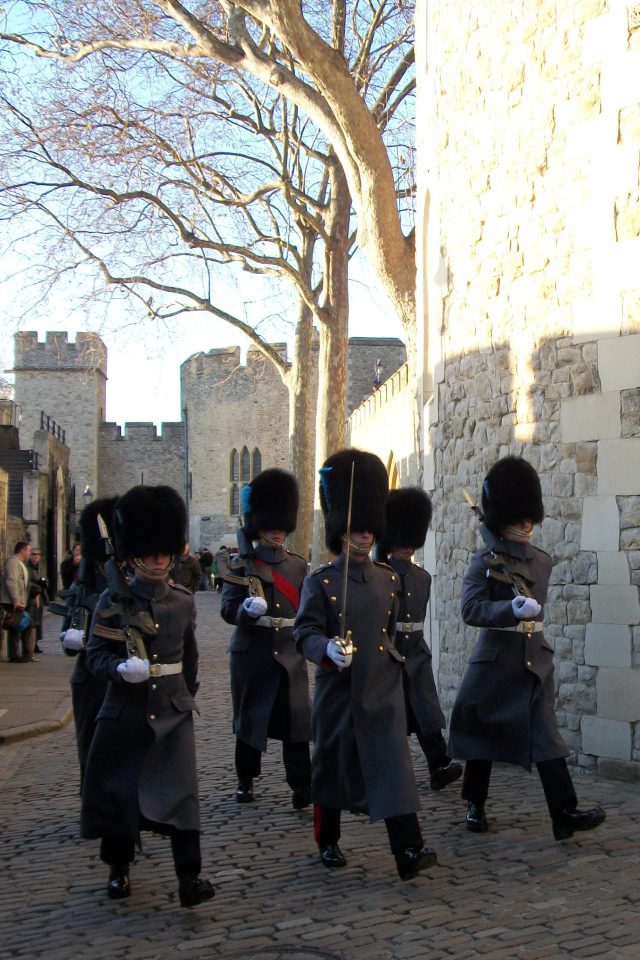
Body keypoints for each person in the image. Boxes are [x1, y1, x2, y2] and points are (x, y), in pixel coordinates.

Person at [294, 449, 437, 881]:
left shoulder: (389, 578)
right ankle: (328, 840)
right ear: (341, 530)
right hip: (341, 689)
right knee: (333, 768)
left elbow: (389, 631)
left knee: (394, 767)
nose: (364, 535)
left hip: (381, 687)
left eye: (369, 528)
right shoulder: (320, 582)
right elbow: (304, 633)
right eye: (356, 528)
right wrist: (327, 649)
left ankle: (408, 850)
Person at [449, 456, 606, 842]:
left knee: (546, 736)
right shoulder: (485, 561)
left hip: (533, 659)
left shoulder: (542, 562)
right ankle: (475, 803)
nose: (524, 525)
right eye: (516, 519)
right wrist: (509, 609)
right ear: (501, 520)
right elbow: (470, 609)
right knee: (483, 735)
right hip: (496, 660)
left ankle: (564, 814)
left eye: (528, 518)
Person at [81, 485, 214, 908]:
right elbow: (94, 655)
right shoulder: (112, 600)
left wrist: (185, 697)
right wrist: (120, 670)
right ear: (134, 555)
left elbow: (189, 658)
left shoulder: (182, 602)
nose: (159, 561)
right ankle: (118, 867)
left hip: (172, 711)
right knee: (123, 793)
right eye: (151, 554)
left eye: (164, 553)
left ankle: (190, 877)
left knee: (182, 795)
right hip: (126, 710)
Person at [220, 469, 311, 808]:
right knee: (250, 720)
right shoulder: (240, 564)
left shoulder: (297, 566)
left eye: (280, 525)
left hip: (289, 649)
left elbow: (306, 609)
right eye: (270, 524)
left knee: (297, 722)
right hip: (253, 652)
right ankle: (245, 779)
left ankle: (302, 784)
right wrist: (247, 611)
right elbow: (228, 609)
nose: (276, 530)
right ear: (258, 524)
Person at [376, 488, 462, 791]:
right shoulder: (379, 573)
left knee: (426, 709)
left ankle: (438, 764)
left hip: (415, 649)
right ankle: (389, 770)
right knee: (392, 713)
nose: (406, 548)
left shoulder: (422, 577)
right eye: (401, 541)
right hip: (388, 651)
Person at [51, 498, 118, 787]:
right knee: (90, 748)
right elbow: (68, 646)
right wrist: (71, 637)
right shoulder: (82, 587)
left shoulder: (128, 585)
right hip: (91, 679)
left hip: (122, 676)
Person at [1, 541, 32, 662]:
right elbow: (11, 582)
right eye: (28, 550)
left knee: (22, 626)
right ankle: (14, 655)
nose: (29, 553)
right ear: (22, 550)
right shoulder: (12, 562)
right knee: (15, 627)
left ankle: (24, 654)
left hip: (20, 601)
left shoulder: (20, 563)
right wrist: (16, 600)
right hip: (11, 601)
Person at [26, 547, 49, 654]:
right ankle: (30, 644)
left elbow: (44, 579)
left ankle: (35, 643)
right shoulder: (27, 567)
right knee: (31, 620)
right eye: (34, 554)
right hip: (31, 596)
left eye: (38, 554)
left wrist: (44, 583)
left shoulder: (41, 567)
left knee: (38, 620)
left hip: (40, 596)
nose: (36, 556)